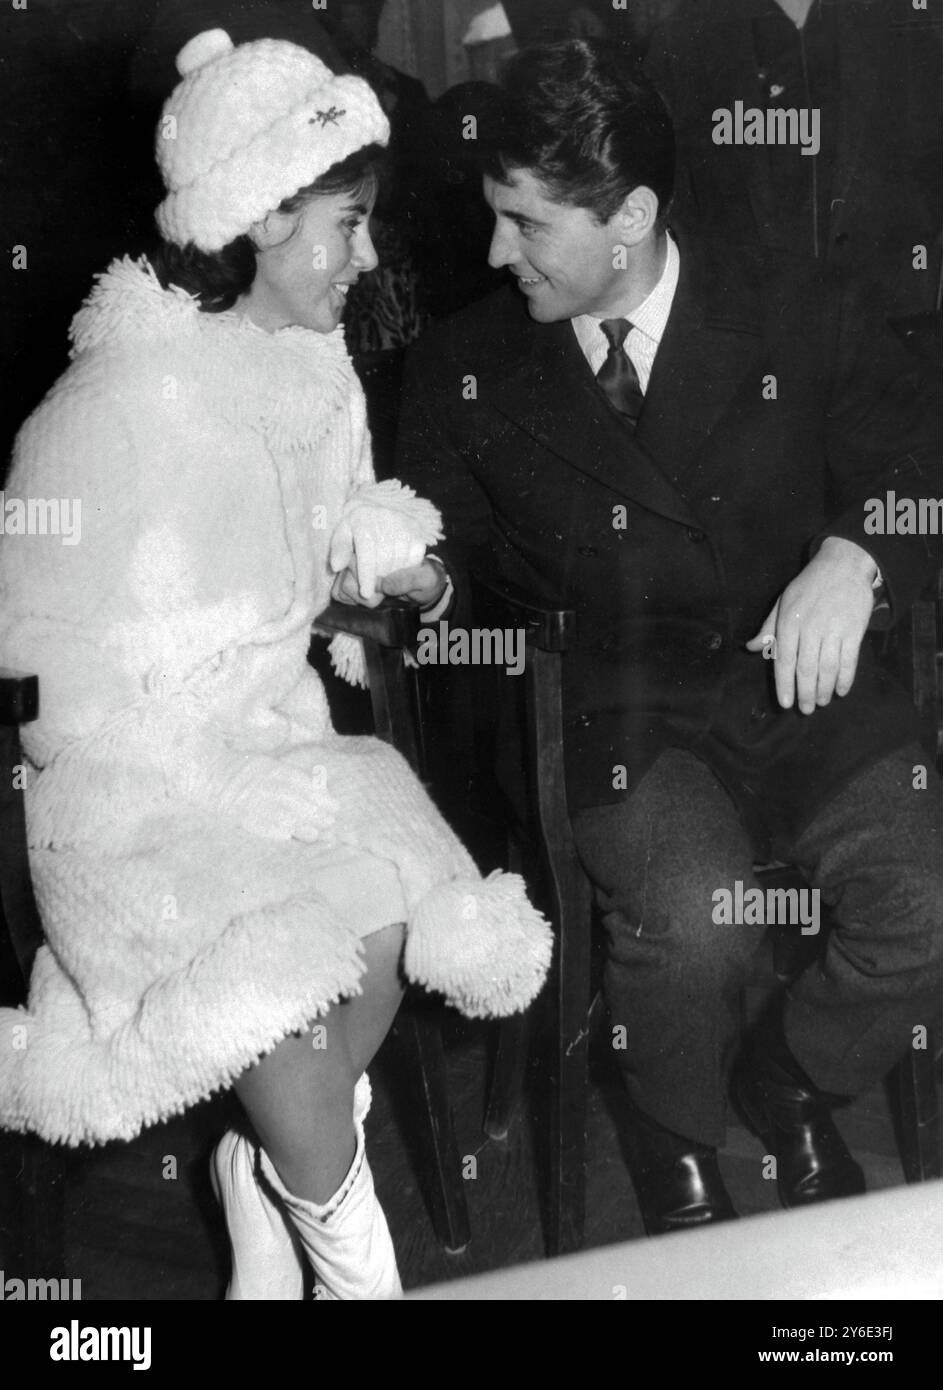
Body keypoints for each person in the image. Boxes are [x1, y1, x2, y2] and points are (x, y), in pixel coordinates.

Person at [0, 29, 550, 1299]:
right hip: (124, 797)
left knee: (393, 911)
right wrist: (207, 775)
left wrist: (388, 566)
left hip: (273, 752)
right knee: (290, 1006)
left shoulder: (312, 374)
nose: (364, 256)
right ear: (259, 213)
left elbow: (321, 571)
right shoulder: (114, 402)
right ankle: (363, 1270)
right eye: (344, 224)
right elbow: (38, 672)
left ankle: (261, 1170)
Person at [392, 38, 943, 1236]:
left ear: (631, 216)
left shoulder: (798, 306)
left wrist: (858, 554)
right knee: (693, 920)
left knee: (929, 894)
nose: (494, 253)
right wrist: (426, 592)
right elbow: (461, 594)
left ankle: (790, 1079)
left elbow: (922, 460)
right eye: (493, 216)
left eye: (526, 225)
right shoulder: (458, 372)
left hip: (800, 686)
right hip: (611, 712)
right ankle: (672, 1124)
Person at [644, 0, 943, 318]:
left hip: (881, 317)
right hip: (747, 324)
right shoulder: (686, 38)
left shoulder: (902, 27)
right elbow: (667, 196)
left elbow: (928, 173)